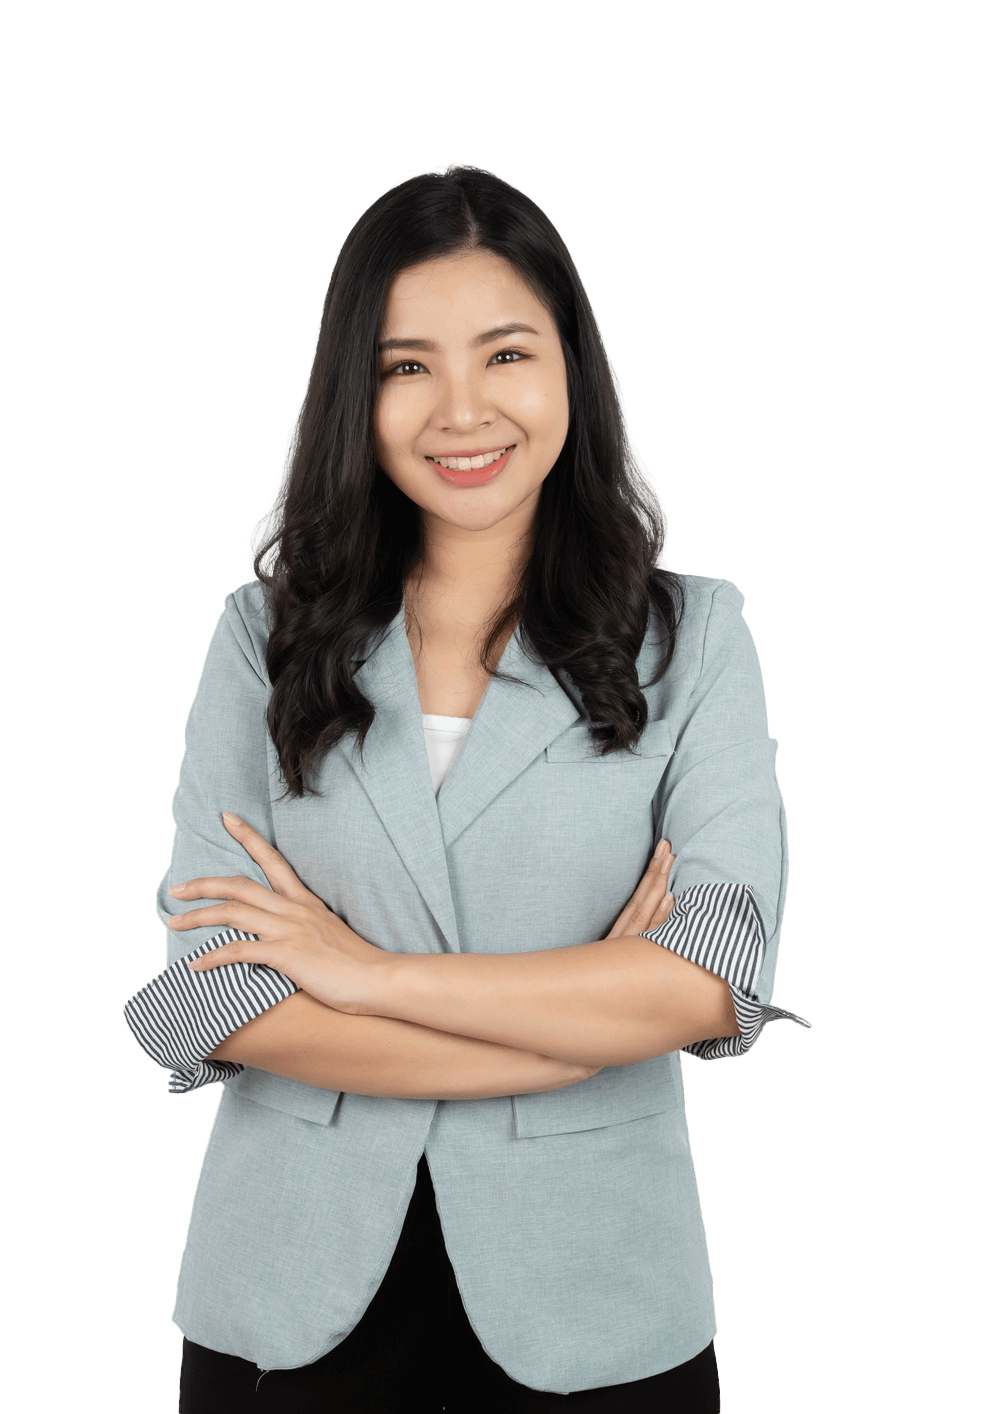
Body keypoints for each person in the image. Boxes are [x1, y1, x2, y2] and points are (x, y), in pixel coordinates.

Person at [123, 163, 811, 1412]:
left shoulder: (700, 637)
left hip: (602, 1300)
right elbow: (214, 995)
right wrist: (569, 1038)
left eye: (504, 354)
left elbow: (712, 973)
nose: (461, 410)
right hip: (284, 1300)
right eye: (405, 367)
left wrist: (365, 972)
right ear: (357, 393)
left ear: (570, 371)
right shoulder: (258, 635)